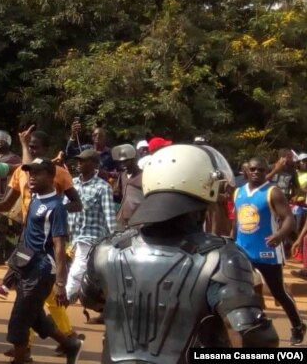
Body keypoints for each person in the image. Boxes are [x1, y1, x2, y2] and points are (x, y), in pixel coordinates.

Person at [82, 144, 280, 359]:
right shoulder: (222, 257)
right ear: (206, 189)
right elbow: (252, 336)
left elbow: (90, 299)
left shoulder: (107, 248)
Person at [0, 128, 81, 356]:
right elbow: (25, 230)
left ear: (51, 177)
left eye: (37, 174)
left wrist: (61, 283)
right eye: (30, 174)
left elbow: (60, 246)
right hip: (27, 264)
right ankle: (70, 345)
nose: (31, 178)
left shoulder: (56, 207)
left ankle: (22, 358)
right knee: (36, 317)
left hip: (42, 269)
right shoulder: (34, 200)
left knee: (19, 320)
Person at [233, 156, 305, 344]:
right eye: (253, 169)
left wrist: (280, 235)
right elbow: (237, 221)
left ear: (267, 172)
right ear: (246, 170)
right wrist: (231, 241)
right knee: (243, 290)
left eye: (261, 170)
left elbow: (288, 218)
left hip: (267, 251)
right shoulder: (238, 192)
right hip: (243, 251)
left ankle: (298, 325)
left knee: (277, 291)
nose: (256, 172)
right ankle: (253, 326)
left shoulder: (273, 192)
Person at [64, 149, 115, 324]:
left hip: (91, 238)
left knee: (77, 270)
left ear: (94, 164)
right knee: (74, 270)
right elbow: (64, 208)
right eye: (78, 160)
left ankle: (63, 301)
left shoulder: (103, 188)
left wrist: (113, 240)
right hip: (72, 237)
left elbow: (109, 217)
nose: (79, 163)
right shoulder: (72, 184)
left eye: (83, 160)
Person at [0, 129, 21, 266]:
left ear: (8, 142)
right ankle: (10, 249)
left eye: (2, 141)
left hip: (6, 196)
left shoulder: (14, 159)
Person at [112, 144, 143, 227]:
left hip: (139, 218)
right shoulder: (122, 175)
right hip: (123, 219)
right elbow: (118, 196)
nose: (122, 164)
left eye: (125, 161)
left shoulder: (143, 175)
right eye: (121, 162)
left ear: (133, 160)